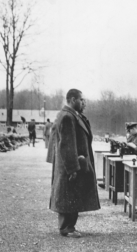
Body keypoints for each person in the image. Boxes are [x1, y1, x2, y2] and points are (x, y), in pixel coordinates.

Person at [49, 89, 100, 238]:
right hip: (71, 165)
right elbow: (67, 145)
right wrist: (72, 169)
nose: (84, 102)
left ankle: (70, 226)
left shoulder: (73, 116)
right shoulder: (67, 117)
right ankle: (66, 227)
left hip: (77, 163)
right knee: (67, 195)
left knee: (72, 195)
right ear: (72, 100)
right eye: (81, 99)